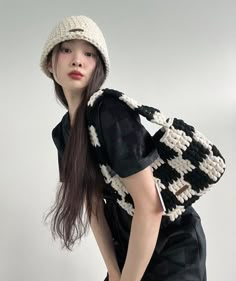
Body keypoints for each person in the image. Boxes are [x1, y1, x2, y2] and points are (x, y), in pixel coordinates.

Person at [40, 15, 207, 281]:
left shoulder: (110, 112)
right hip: (129, 243)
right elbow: (93, 207)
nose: (77, 60)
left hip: (171, 243)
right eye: (66, 49)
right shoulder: (63, 134)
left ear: (99, 68)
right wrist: (115, 273)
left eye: (89, 53)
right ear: (50, 62)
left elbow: (151, 207)